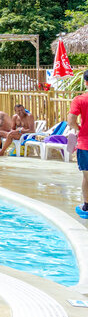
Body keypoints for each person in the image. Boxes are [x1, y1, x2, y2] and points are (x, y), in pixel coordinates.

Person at [69, 71, 88, 218]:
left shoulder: (79, 99)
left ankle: (87, 206)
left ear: (85, 82)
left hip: (85, 144)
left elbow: (71, 121)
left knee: (87, 177)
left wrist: (79, 129)